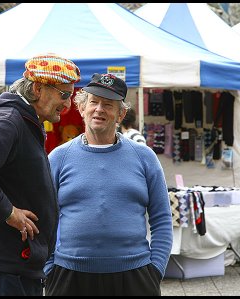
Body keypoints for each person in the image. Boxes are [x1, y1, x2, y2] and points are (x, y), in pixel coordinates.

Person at [0, 53, 80, 296]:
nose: (67, 104)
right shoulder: (9, 120)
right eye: (64, 94)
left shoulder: (21, 120)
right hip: (2, 264)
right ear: (37, 88)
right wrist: (9, 213)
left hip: (13, 263)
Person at [44, 73, 173, 296]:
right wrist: (49, 270)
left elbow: (162, 218)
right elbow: (44, 217)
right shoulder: (58, 158)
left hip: (135, 276)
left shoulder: (144, 157)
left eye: (108, 105)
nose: (99, 109)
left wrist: (155, 270)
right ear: (82, 108)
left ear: (121, 114)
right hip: (68, 275)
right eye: (93, 102)